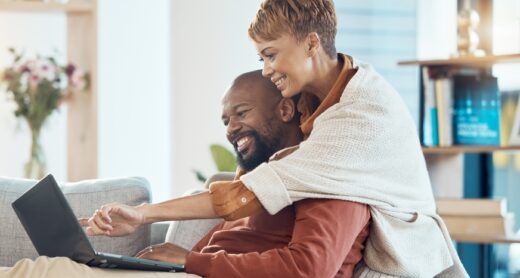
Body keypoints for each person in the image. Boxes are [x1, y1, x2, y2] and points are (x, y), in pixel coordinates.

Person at [85, 1, 468, 277]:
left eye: (271, 55)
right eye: (261, 59)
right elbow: (253, 175)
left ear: (311, 44)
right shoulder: (314, 92)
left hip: (398, 258)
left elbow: (245, 197)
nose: (267, 70)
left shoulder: (358, 119)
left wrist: (144, 215)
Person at [1, 71, 370, 278]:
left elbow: (310, 268)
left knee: (45, 271)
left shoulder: (331, 175)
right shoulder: (266, 181)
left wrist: (188, 261)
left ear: (286, 110)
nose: (230, 129)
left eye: (242, 113)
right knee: (48, 268)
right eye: (226, 120)